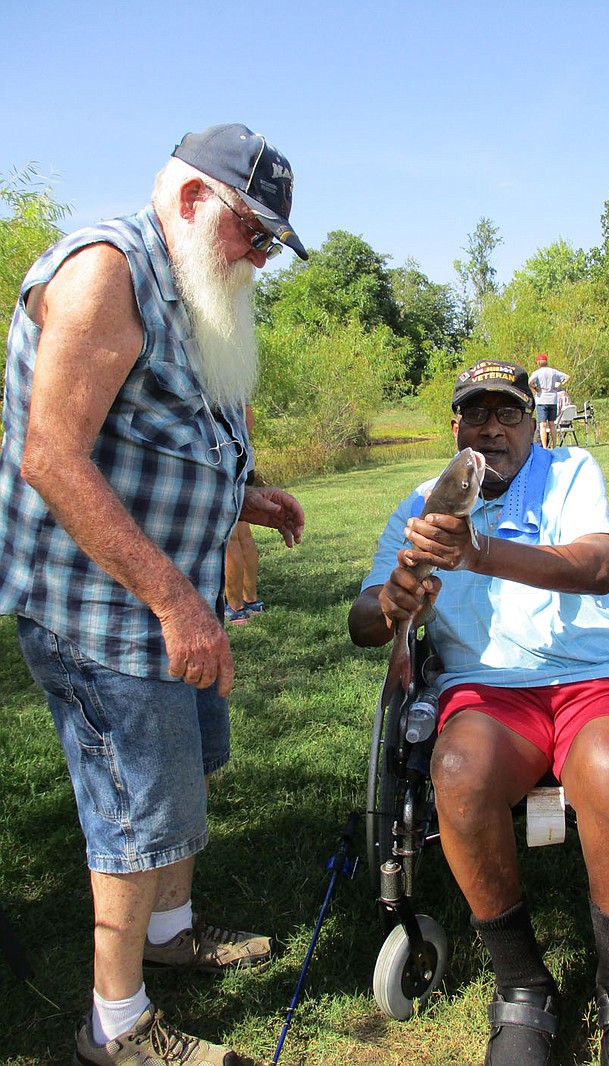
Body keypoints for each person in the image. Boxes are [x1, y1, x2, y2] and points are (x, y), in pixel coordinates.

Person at [0, 123, 307, 1066]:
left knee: (177, 784)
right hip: (102, 613)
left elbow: (156, 431)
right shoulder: (105, 273)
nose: (259, 256)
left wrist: (242, 497)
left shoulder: (186, 284)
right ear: (188, 200)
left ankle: (171, 938)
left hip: (168, 606)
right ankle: (117, 1026)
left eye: (270, 243)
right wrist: (178, 603)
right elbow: (51, 453)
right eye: (251, 232)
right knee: (134, 812)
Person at [348, 359, 609, 1066]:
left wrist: (478, 552)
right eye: (477, 414)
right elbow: (362, 621)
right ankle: (524, 987)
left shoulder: (572, 472)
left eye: (508, 414)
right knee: (458, 769)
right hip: (489, 688)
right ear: (457, 426)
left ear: (534, 422)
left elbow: (596, 567)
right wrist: (397, 593)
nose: (492, 428)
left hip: (598, 675)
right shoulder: (422, 503)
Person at [225, 404, 264, 625]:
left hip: (224, 460)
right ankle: (252, 601)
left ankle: (235, 608)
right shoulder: (236, 376)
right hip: (243, 461)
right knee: (243, 535)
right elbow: (249, 419)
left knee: (230, 537)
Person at [530, 352, 569, 449]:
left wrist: (535, 387)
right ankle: (555, 445)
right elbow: (567, 377)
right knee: (552, 424)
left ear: (538, 362)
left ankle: (544, 447)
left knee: (543, 425)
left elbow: (530, 381)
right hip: (552, 399)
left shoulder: (537, 373)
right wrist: (559, 385)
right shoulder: (553, 372)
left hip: (541, 400)